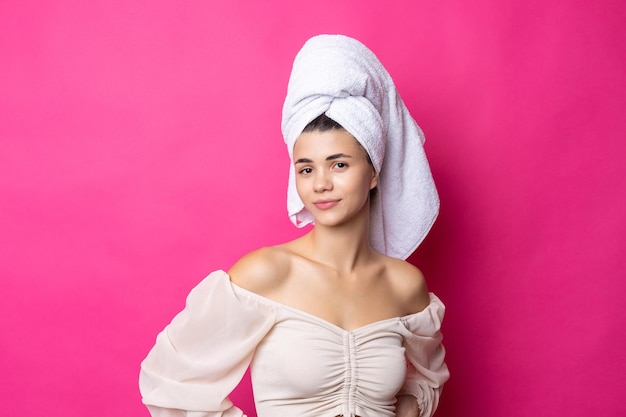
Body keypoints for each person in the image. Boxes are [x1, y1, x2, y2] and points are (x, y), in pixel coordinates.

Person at [139, 34, 449, 417]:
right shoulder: (266, 274)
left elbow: (426, 380)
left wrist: (410, 406)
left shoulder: (405, 286)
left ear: (372, 173)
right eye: (306, 169)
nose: (320, 183)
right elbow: (171, 381)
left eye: (339, 164)